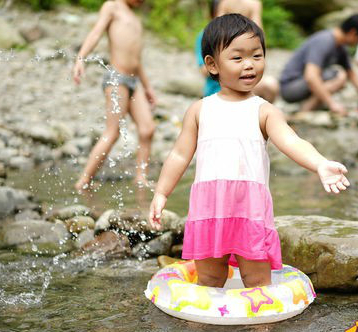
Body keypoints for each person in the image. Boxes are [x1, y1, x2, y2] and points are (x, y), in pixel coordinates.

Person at [149, 14, 350, 288]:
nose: (249, 65)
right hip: (209, 207)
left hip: (250, 208)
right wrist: (161, 192)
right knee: (208, 278)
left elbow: (291, 141)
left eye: (257, 56)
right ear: (212, 64)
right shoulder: (200, 109)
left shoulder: (264, 110)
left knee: (257, 280)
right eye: (237, 58)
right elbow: (179, 155)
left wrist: (319, 164)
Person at [72, 0, 156, 191]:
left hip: (135, 81)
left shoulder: (135, 18)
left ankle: (140, 178)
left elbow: (137, 59)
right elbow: (96, 32)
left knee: (147, 128)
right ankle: (84, 181)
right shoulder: (113, 6)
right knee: (113, 132)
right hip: (117, 78)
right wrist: (81, 58)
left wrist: (148, 86)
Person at [195, 0, 279, 103]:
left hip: (247, 88)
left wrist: (255, 12)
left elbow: (258, 43)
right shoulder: (206, 36)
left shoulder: (247, 38)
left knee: (270, 84)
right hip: (218, 89)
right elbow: (204, 70)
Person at [280, 14, 358, 115]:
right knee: (339, 75)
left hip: (302, 85)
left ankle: (307, 109)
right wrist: (332, 104)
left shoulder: (340, 47)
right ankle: (305, 111)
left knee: (339, 74)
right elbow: (311, 77)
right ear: (353, 33)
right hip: (290, 88)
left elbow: (351, 74)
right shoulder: (325, 41)